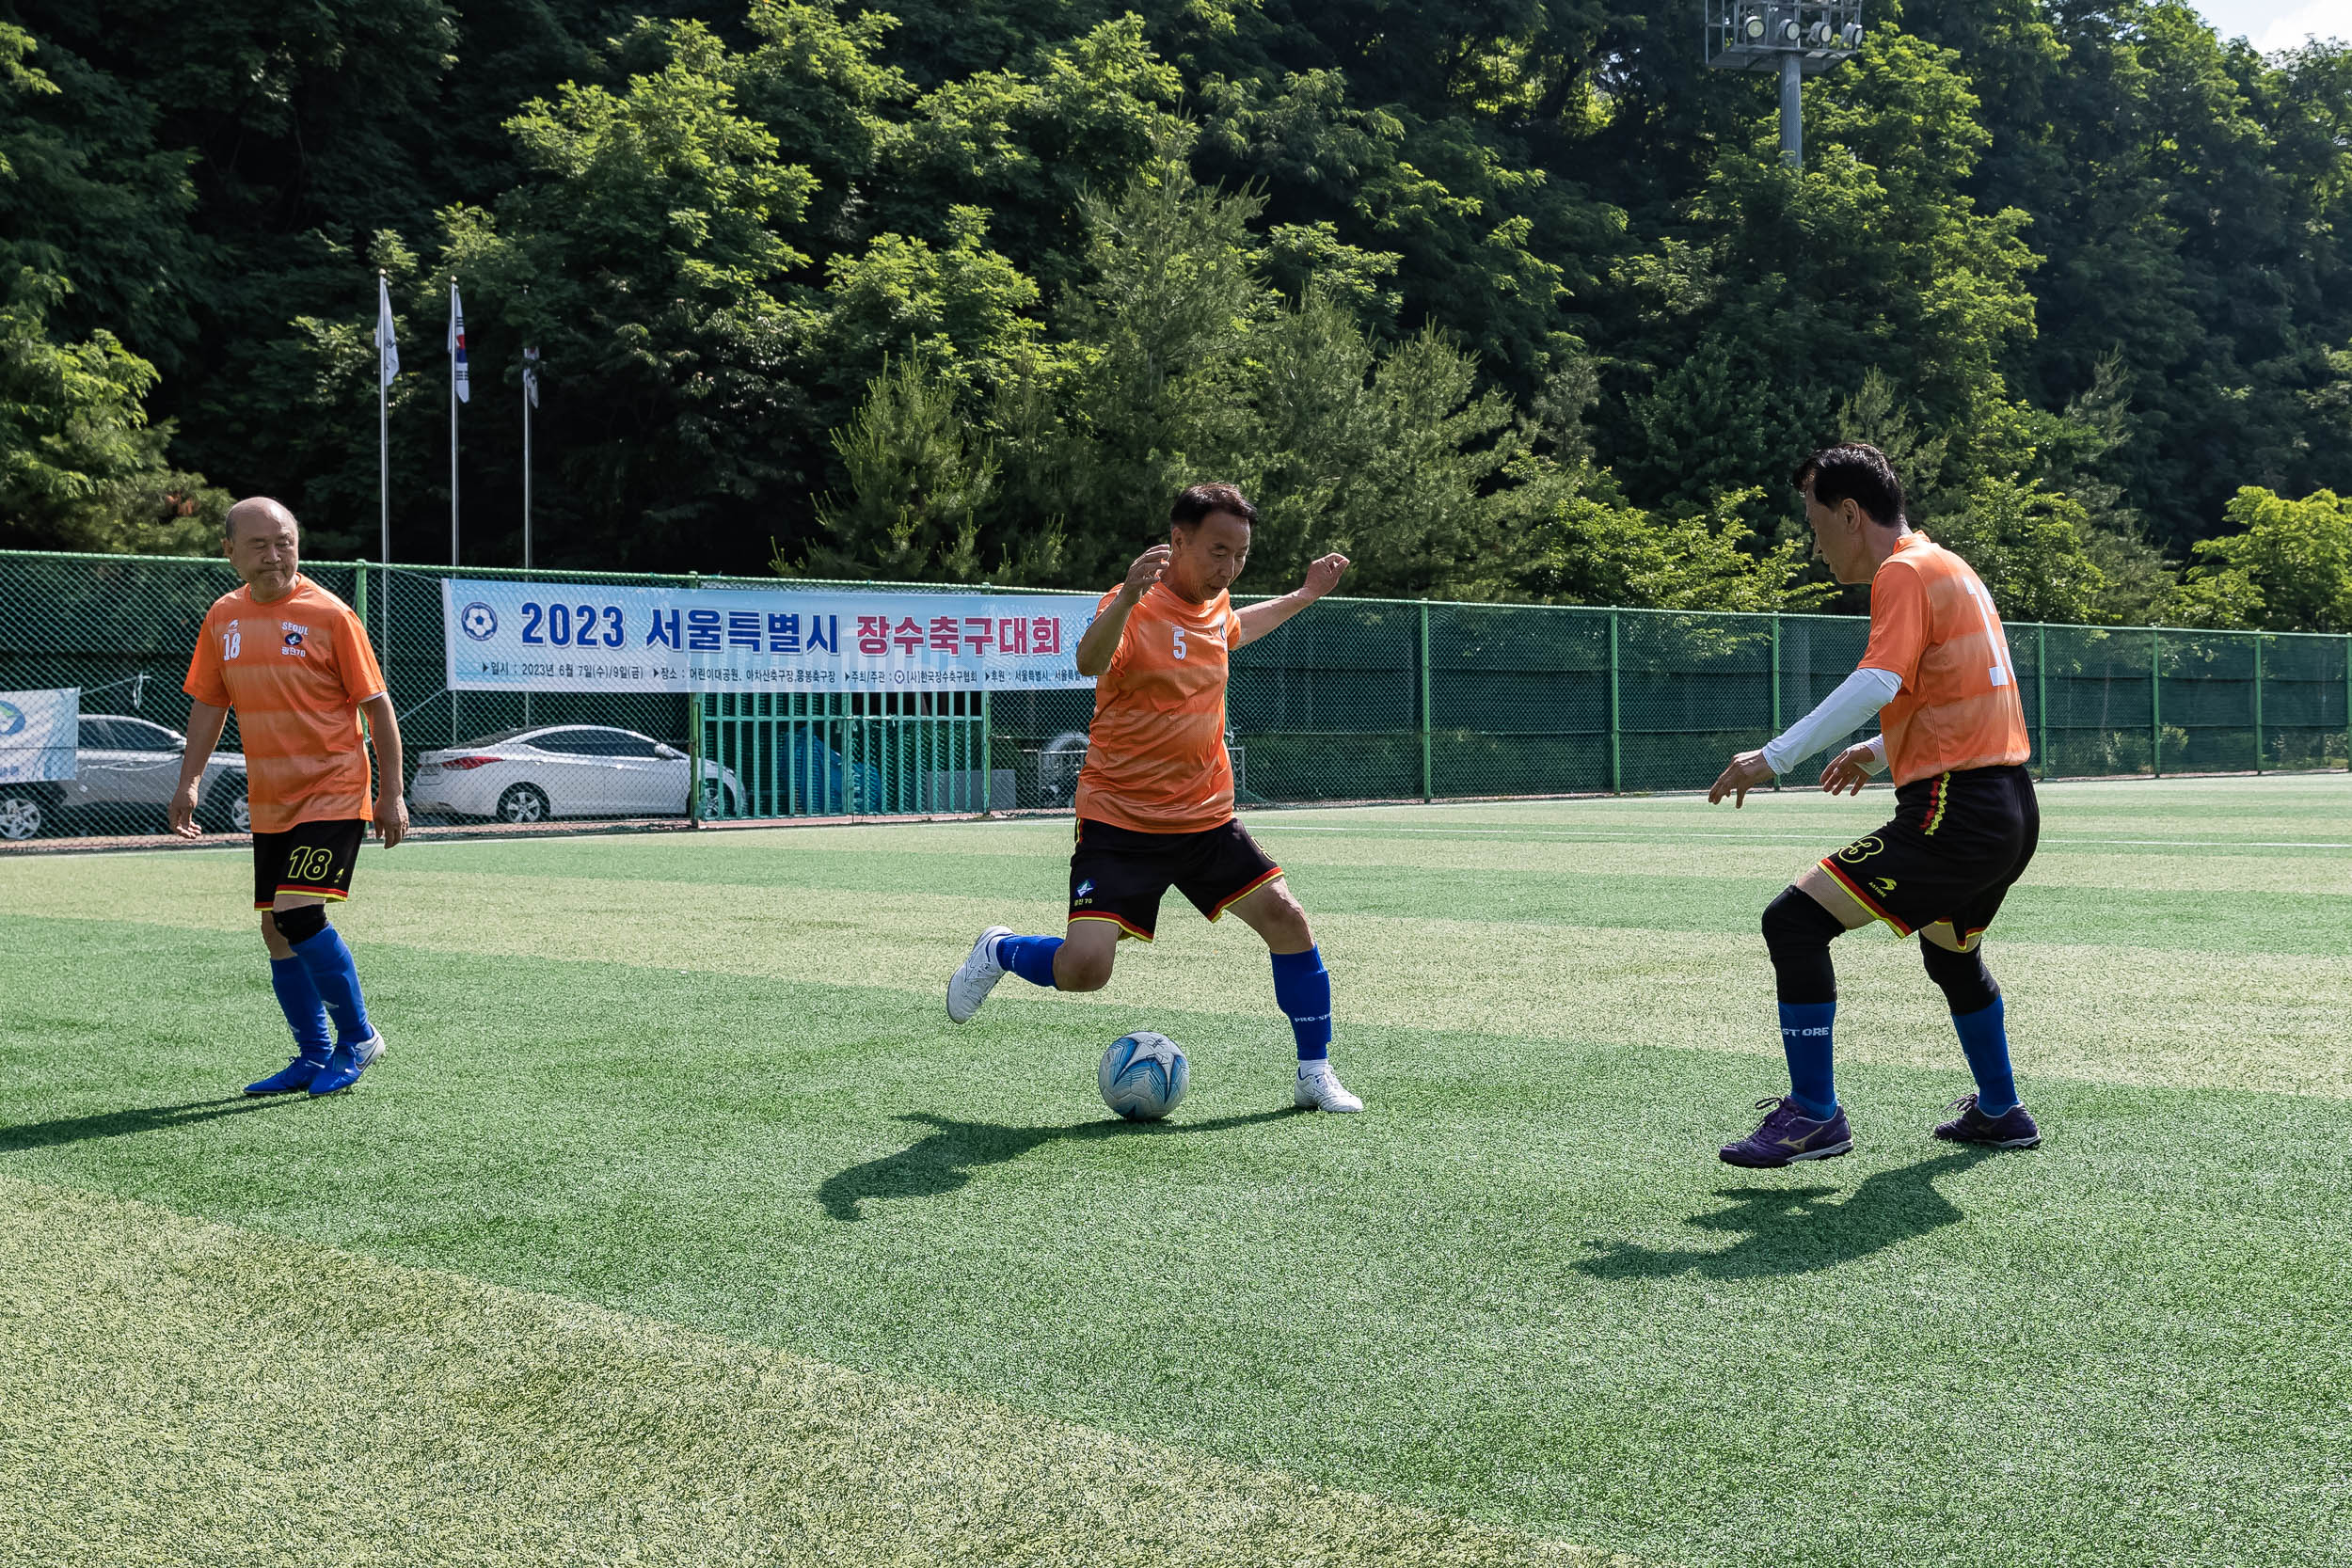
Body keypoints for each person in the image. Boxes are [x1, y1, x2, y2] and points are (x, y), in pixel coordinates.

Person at [946, 483, 1365, 1113]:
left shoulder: (1214, 604)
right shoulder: (1132, 603)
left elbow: (1232, 629)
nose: (1229, 567)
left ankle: (1314, 1071)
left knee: (1287, 918)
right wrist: (1127, 597)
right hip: (1120, 821)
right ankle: (999, 949)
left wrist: (1305, 594)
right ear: (1179, 541)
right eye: (1218, 551)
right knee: (1086, 969)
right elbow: (1089, 658)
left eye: (1241, 554)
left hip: (1204, 819)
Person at [1707, 443, 2041, 1166]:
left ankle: (1814, 1117)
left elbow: (1878, 679)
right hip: (2011, 804)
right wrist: (1881, 751)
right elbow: (1960, 687)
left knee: (1792, 920)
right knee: (1952, 955)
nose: (1814, 539)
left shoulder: (1901, 573)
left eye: (1814, 518)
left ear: (1851, 513)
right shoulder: (1950, 566)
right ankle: (2000, 1108)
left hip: (1957, 811)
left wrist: (1772, 758)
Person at [168, 497, 406, 1097]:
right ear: (230, 552)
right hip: (271, 800)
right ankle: (312, 1054)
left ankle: (359, 1038)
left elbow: (377, 707)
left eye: (286, 542)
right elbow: (208, 703)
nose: (275, 555)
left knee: (299, 912)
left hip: (333, 789)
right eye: (259, 544)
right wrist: (189, 780)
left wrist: (391, 794)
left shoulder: (331, 615)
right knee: (276, 928)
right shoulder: (223, 617)